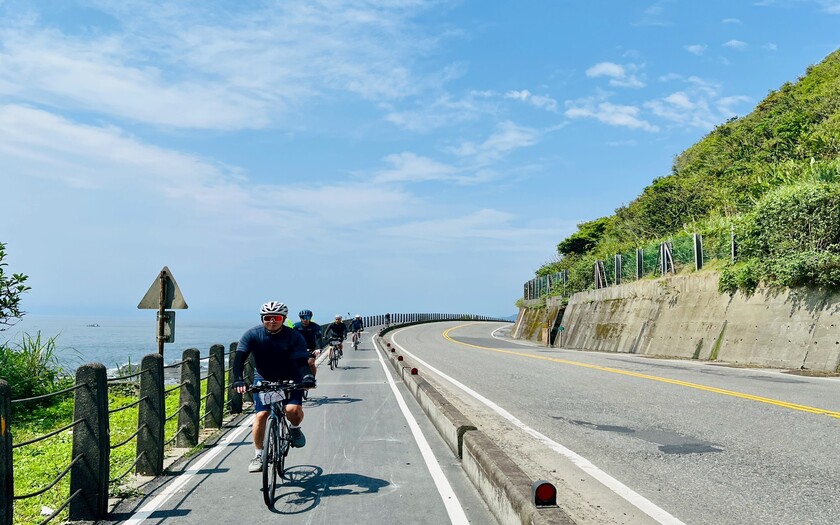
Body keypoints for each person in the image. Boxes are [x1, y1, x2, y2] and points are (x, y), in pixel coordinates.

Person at [233, 301, 316, 473]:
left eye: (276, 318)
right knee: (261, 415)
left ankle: (294, 429)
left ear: (283, 319)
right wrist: (238, 379)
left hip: (291, 377)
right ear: (262, 319)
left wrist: (307, 377)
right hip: (264, 377)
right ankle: (258, 454)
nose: (272, 321)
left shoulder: (294, 336)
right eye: (268, 318)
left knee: (293, 410)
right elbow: (239, 358)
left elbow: (302, 361)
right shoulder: (252, 334)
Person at [293, 308, 323, 377]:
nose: (305, 319)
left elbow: (318, 338)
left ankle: (312, 378)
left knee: (310, 363)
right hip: (299, 347)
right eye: (303, 317)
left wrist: (319, 348)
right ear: (300, 318)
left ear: (310, 318)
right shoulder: (296, 326)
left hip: (311, 347)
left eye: (307, 317)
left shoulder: (316, 326)